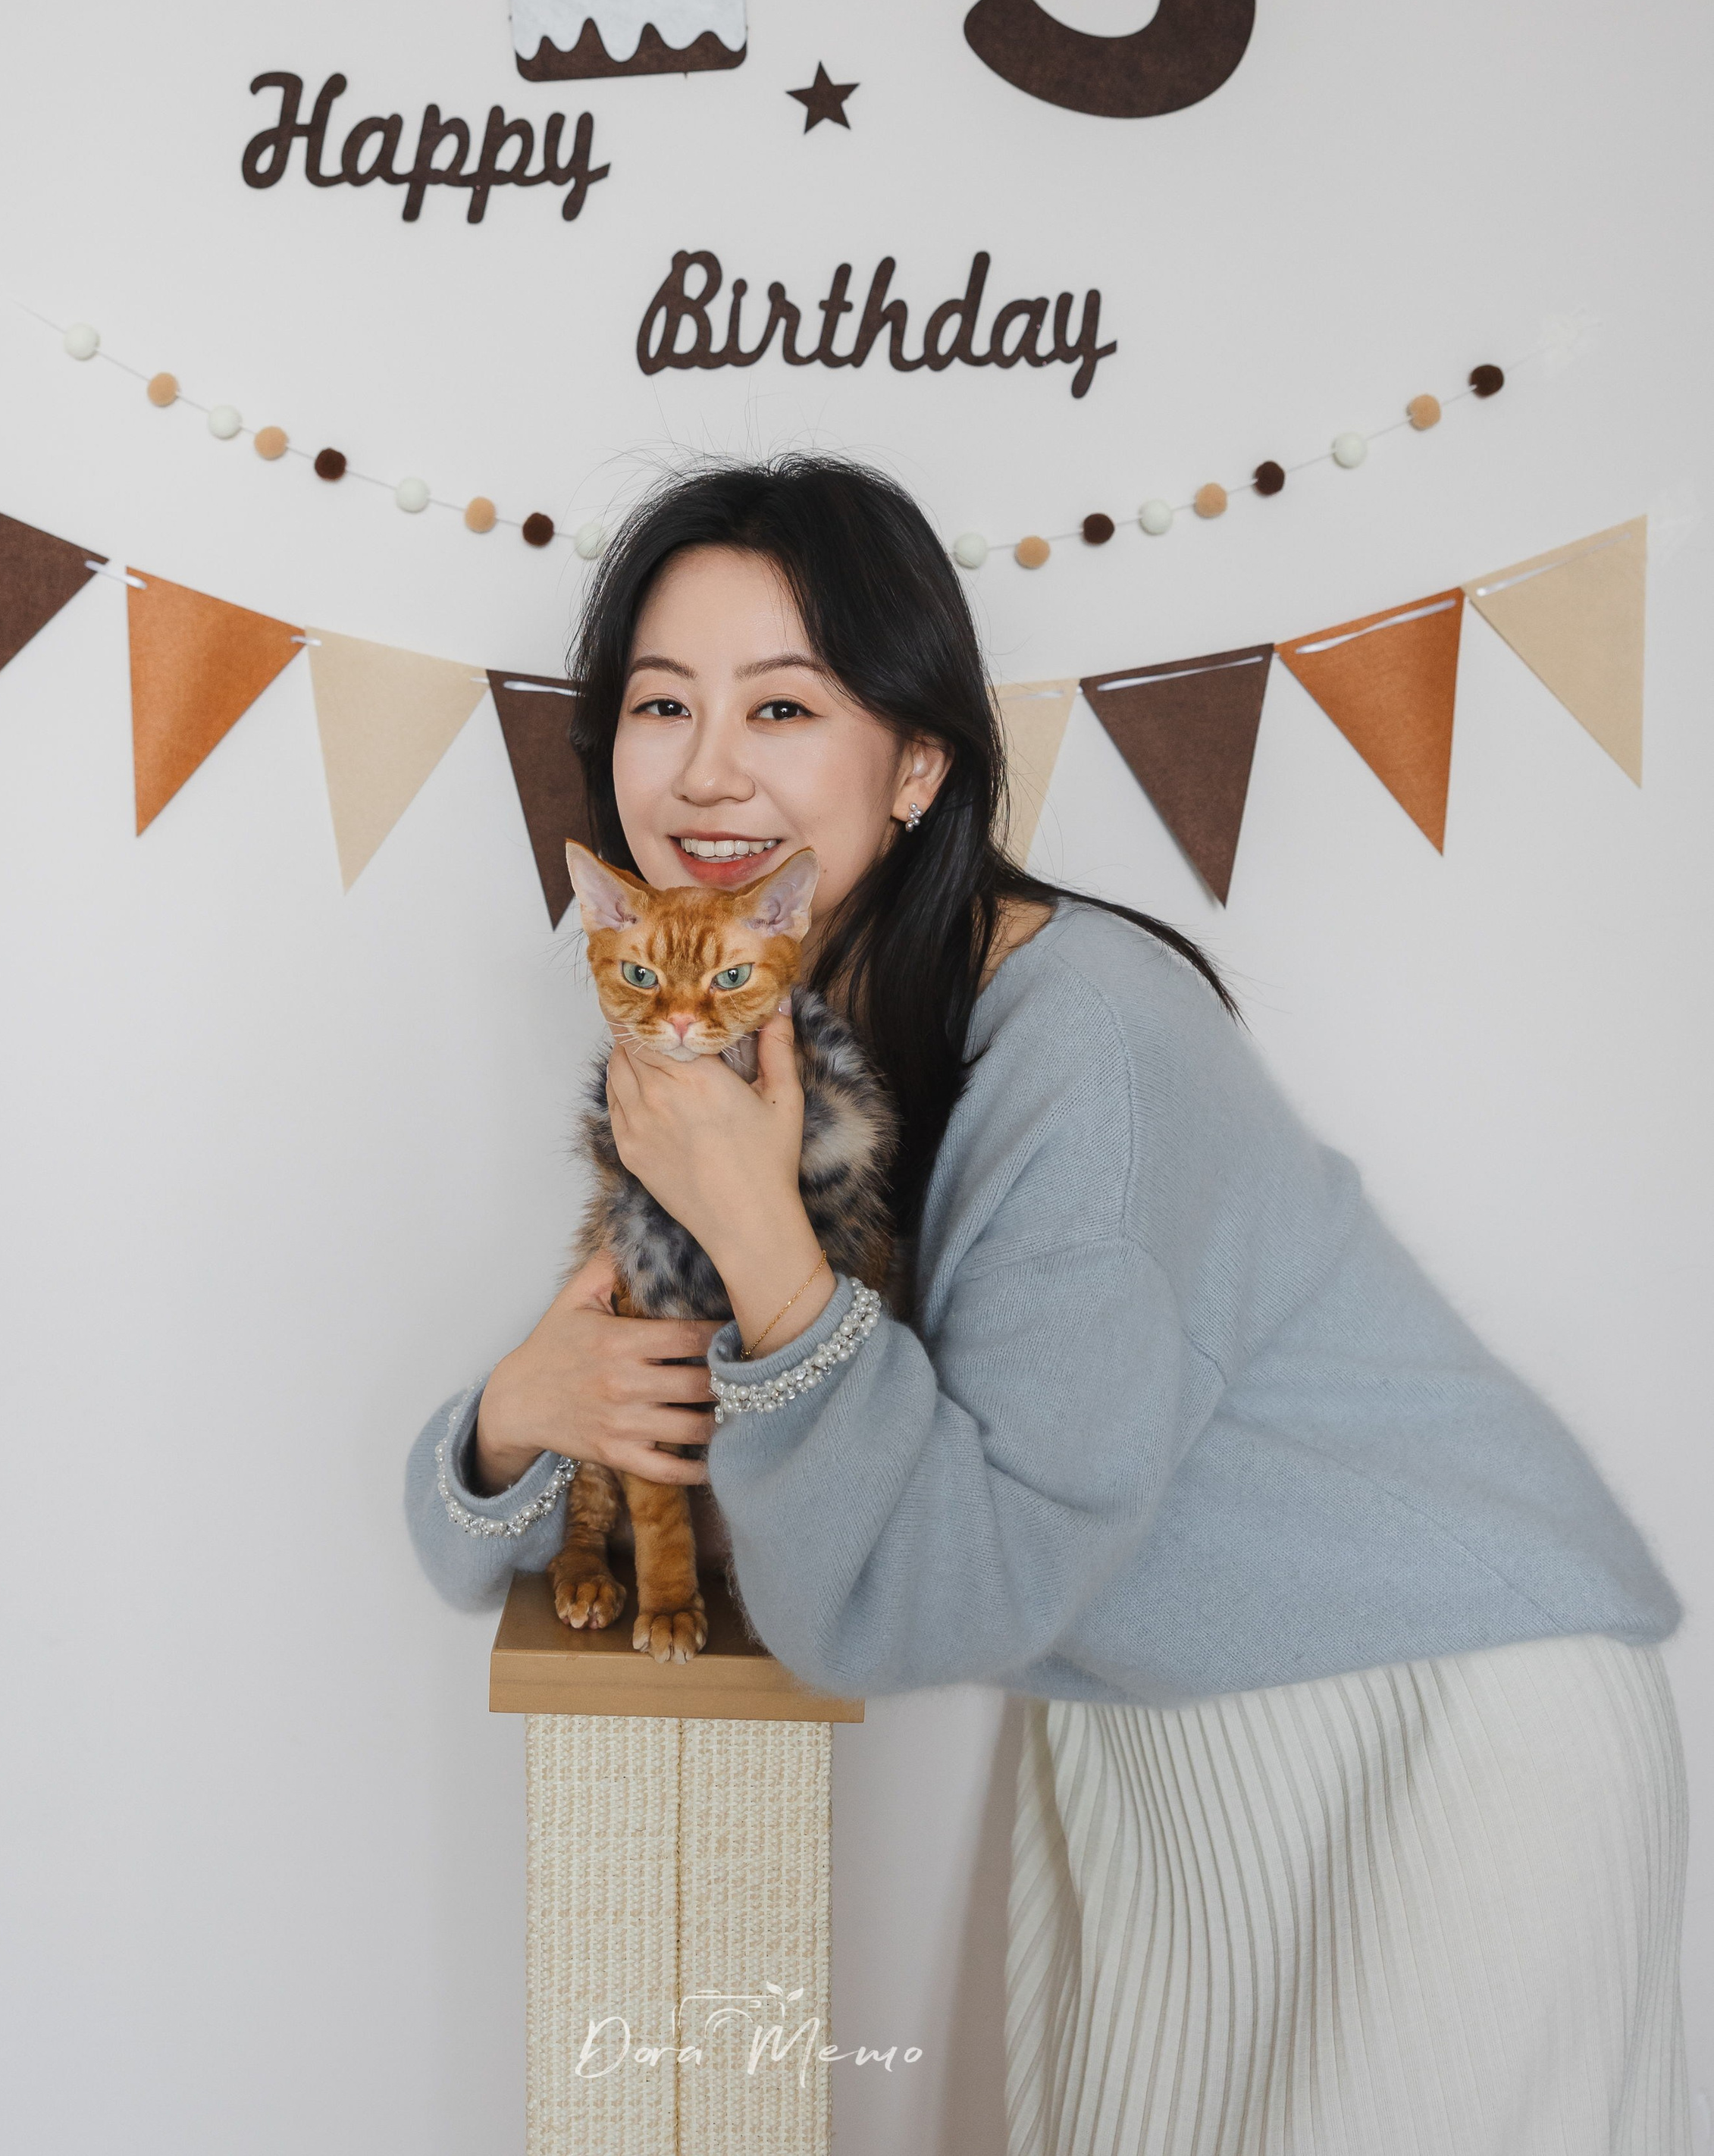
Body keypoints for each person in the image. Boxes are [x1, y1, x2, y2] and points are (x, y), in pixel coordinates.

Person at [405, 456, 1689, 2154]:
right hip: (1158, 1744)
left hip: (1432, 1725)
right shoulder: (782, 1034)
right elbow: (574, 1493)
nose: (707, 768)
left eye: (781, 703)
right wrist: (512, 1424)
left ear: (918, 763)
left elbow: (916, 1594)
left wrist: (762, 1240)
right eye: (661, 704)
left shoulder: (1082, 1035)